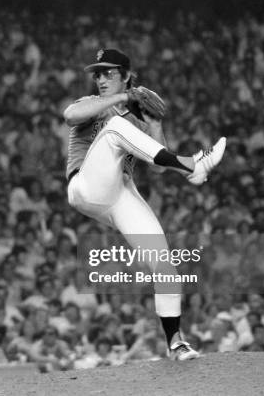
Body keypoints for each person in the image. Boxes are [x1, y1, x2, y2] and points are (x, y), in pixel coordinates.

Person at [64, 49, 227, 360]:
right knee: (113, 129)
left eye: (109, 72)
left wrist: (152, 122)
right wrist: (121, 101)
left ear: (126, 75)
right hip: (85, 186)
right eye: (97, 73)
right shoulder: (91, 105)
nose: (100, 79)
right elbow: (69, 116)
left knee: (164, 265)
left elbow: (157, 166)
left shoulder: (134, 120)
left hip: (119, 193)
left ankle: (176, 343)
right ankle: (193, 166)